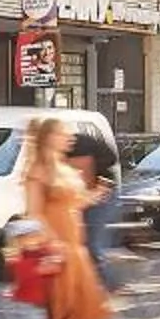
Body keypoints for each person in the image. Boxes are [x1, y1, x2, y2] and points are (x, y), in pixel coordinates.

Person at [20, 115, 112, 319]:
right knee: (61, 304)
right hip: (56, 247)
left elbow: (76, 202)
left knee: (86, 301)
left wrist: (96, 195)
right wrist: (51, 242)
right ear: (49, 138)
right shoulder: (38, 171)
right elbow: (34, 212)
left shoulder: (64, 168)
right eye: (63, 133)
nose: (69, 137)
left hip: (74, 246)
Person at [63, 114, 123, 280]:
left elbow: (86, 176)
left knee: (92, 243)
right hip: (89, 194)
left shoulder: (80, 147)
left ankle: (108, 283)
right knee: (84, 242)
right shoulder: (66, 150)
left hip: (102, 194)